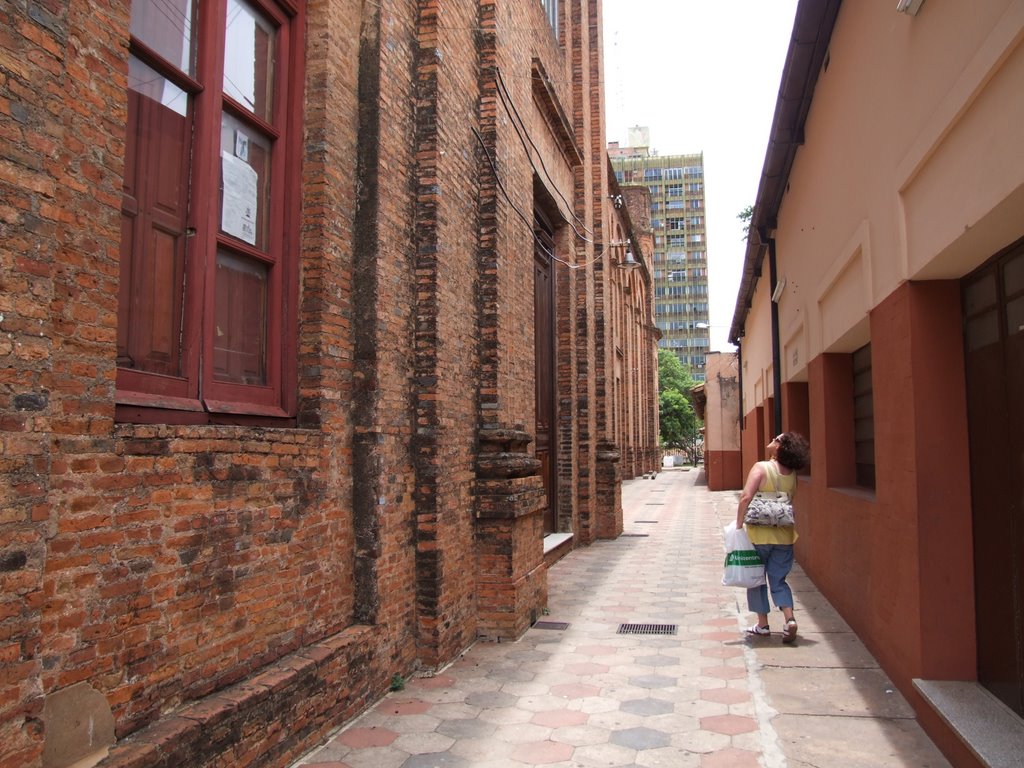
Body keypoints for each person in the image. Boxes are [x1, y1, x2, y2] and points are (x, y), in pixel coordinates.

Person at [735, 431, 811, 644]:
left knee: (757, 580)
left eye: (776, 438)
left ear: (780, 447)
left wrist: (739, 525)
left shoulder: (761, 467)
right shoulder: (792, 475)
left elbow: (746, 497)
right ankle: (790, 619)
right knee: (778, 579)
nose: (772, 439)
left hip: (758, 535)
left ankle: (763, 625)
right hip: (784, 536)